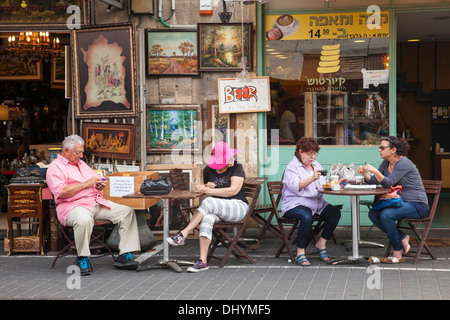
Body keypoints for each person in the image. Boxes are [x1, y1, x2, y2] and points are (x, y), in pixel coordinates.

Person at [46, 134, 140, 275]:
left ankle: (125, 255)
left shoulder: (82, 164)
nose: (81, 156)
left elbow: (91, 184)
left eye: (82, 152)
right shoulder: (55, 168)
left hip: (94, 203)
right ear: (66, 150)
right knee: (84, 219)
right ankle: (83, 257)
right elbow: (61, 192)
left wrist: (98, 186)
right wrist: (87, 183)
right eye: (78, 152)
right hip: (72, 206)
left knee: (127, 211)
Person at [166, 142, 248, 272]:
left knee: (209, 201)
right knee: (207, 219)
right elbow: (194, 185)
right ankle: (202, 261)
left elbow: (233, 191)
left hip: (238, 207)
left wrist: (209, 191)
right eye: (229, 157)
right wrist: (203, 186)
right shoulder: (210, 169)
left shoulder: (237, 167)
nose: (233, 159)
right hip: (217, 210)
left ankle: (183, 233)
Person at [357, 136, 428, 263]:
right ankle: (402, 237)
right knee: (373, 213)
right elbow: (375, 180)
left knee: (386, 215)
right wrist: (365, 174)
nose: (379, 150)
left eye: (383, 147)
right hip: (398, 203)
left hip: (417, 204)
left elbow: (389, 182)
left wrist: (373, 170)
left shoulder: (404, 163)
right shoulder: (386, 163)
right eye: (380, 147)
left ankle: (397, 250)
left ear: (393, 150)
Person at [281, 137, 341, 266]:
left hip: (316, 203)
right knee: (306, 216)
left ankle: (321, 244)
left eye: (315, 153)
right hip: (295, 204)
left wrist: (335, 183)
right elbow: (297, 186)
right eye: (309, 154)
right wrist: (312, 177)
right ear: (300, 151)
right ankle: (300, 252)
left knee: (334, 213)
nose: (312, 157)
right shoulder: (292, 168)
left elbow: (323, 183)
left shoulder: (316, 165)